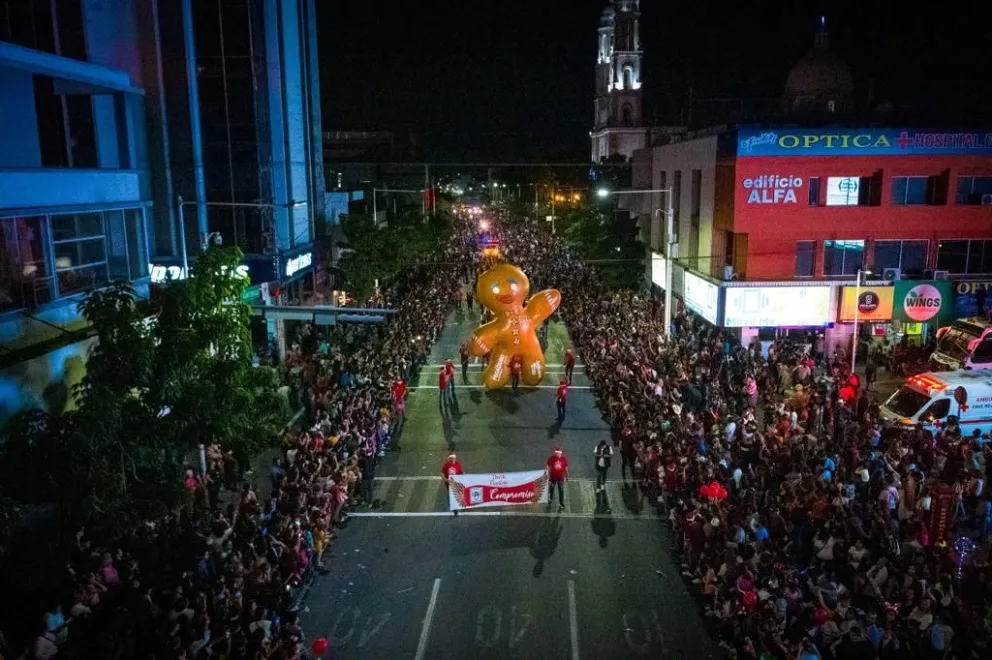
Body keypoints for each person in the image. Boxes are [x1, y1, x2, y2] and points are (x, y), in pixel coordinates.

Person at [547, 446, 568, 511]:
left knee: (561, 491)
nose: (557, 454)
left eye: (558, 453)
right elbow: (548, 465)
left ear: (561, 453)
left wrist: (567, 476)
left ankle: (561, 503)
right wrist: (548, 474)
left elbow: (566, 468)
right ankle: (550, 497)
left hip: (560, 478)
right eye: (556, 453)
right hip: (553, 477)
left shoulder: (564, 459)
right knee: (551, 488)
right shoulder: (551, 458)